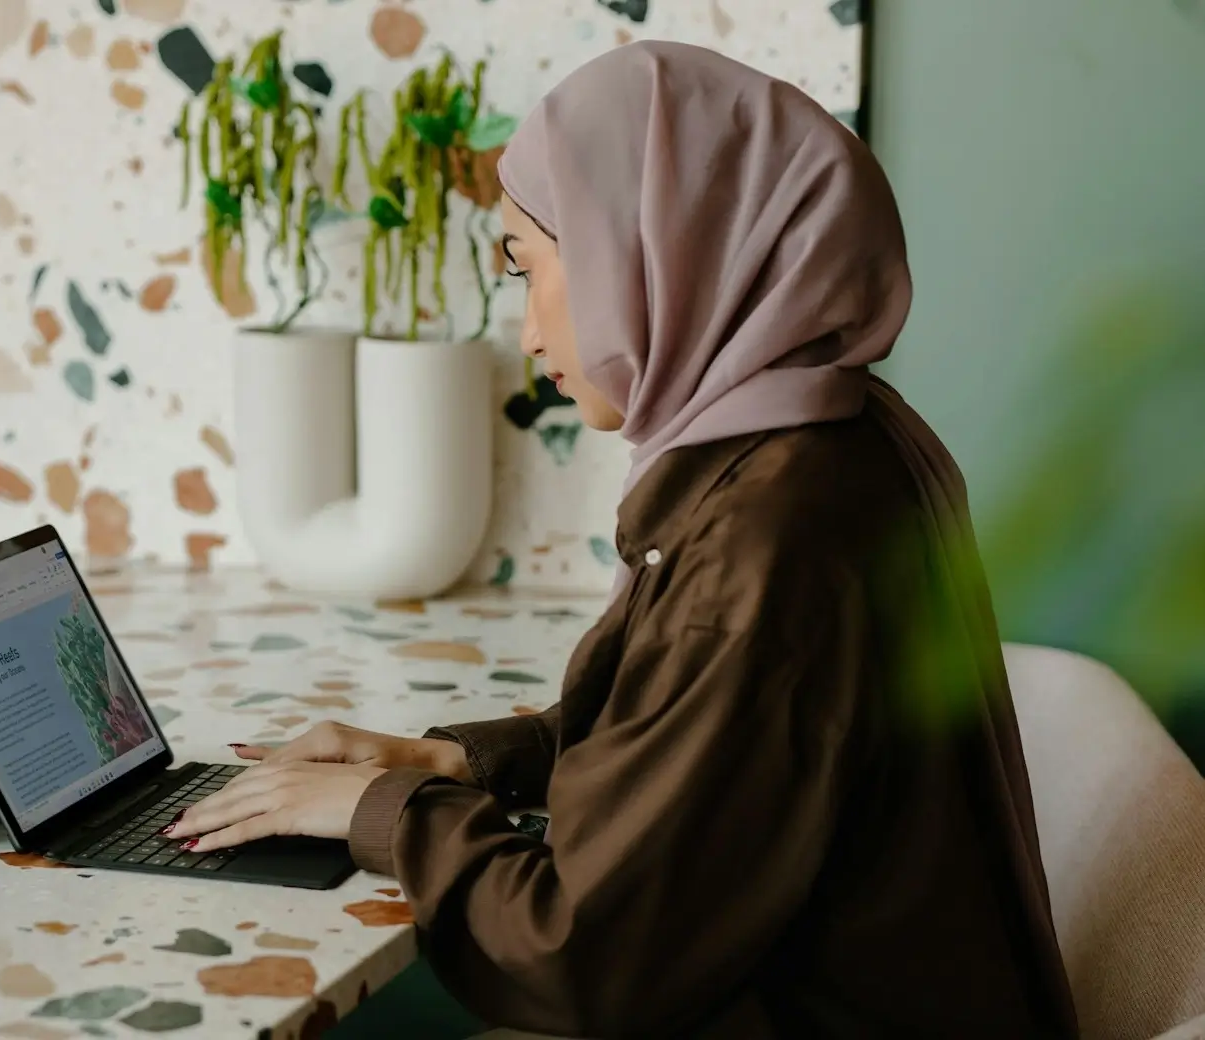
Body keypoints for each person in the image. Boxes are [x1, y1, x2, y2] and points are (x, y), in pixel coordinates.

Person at [164, 42, 1079, 1039]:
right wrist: (450, 761)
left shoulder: (767, 539)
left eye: (529, 267)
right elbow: (698, 746)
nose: (527, 334)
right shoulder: (839, 442)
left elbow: (580, 952)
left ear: (649, 250)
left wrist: (383, 808)